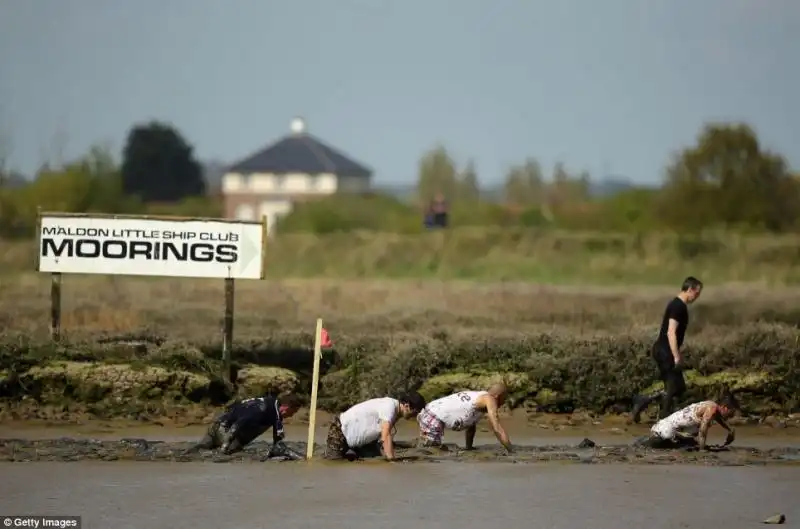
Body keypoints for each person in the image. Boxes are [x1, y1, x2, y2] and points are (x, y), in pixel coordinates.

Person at [631, 276, 703, 423]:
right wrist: (676, 356)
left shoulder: (677, 305)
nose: (697, 297)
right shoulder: (678, 306)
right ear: (690, 289)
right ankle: (663, 418)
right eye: (697, 293)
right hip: (665, 351)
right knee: (672, 387)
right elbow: (671, 332)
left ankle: (645, 401)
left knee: (678, 387)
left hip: (664, 349)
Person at [187, 394, 302, 457]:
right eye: (293, 412)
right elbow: (238, 425)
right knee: (232, 454)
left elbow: (277, 441)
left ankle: (185, 455)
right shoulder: (263, 409)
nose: (292, 416)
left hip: (218, 424)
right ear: (287, 407)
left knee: (200, 449)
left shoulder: (272, 406)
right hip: (226, 430)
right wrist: (225, 448)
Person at [324, 392, 427, 461]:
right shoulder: (390, 407)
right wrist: (392, 462)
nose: (415, 415)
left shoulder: (395, 411)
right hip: (341, 431)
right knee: (333, 463)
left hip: (364, 440)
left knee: (375, 461)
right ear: (407, 405)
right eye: (415, 412)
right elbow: (385, 435)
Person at [417, 383, 513, 453]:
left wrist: (469, 448)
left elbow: (471, 425)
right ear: (498, 396)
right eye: (504, 399)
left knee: (432, 448)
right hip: (433, 416)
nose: (503, 403)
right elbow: (497, 428)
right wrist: (511, 450)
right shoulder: (489, 399)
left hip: (431, 413)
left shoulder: (480, 397)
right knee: (432, 452)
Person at [637, 393, 738, 450]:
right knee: (653, 446)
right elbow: (702, 431)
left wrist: (730, 430)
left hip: (672, 429)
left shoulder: (712, 407)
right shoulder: (711, 409)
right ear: (725, 408)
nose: (730, 417)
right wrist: (702, 451)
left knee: (690, 444)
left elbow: (718, 418)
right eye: (731, 413)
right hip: (667, 430)